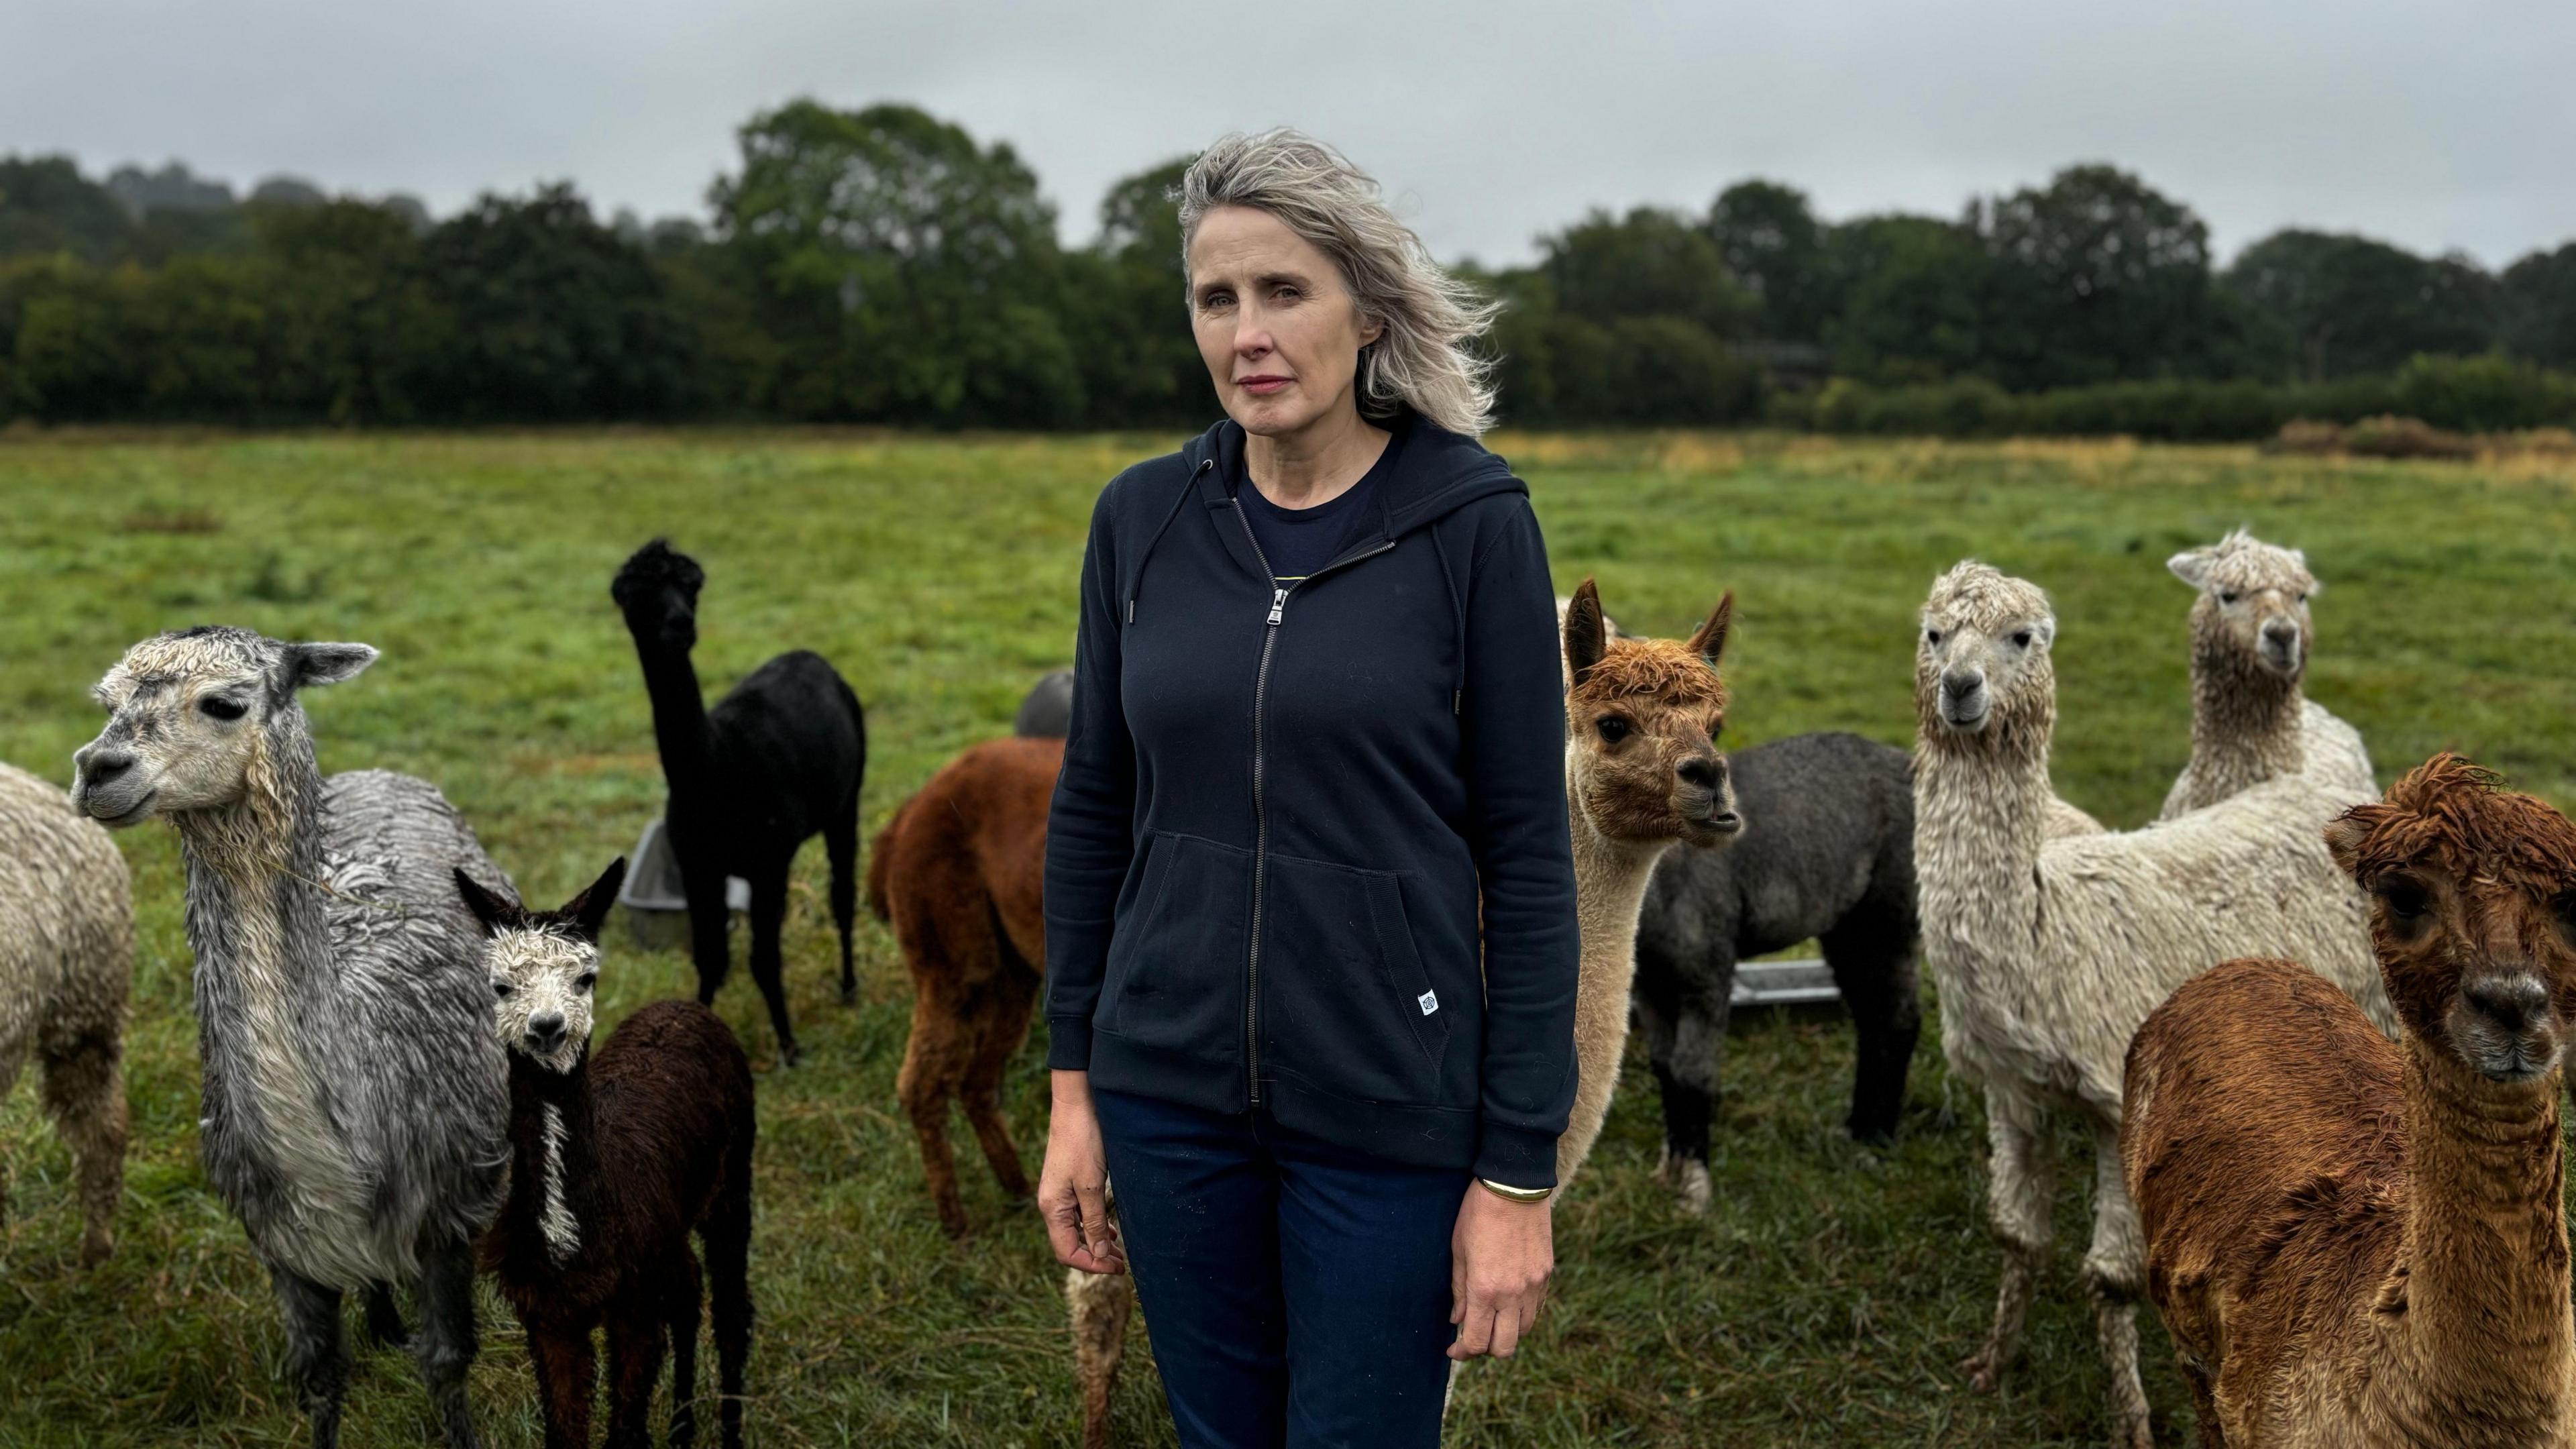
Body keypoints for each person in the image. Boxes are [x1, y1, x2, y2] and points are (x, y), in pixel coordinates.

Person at [1036, 127, 1580, 1448]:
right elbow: (1095, 807)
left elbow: (1526, 854)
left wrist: (1517, 1169)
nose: (1249, 336)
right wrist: (1074, 1091)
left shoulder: (1473, 523)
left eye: (1285, 292)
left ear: (1368, 311)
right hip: (1166, 1099)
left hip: (1386, 1106)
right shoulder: (1144, 518)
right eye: (1217, 299)